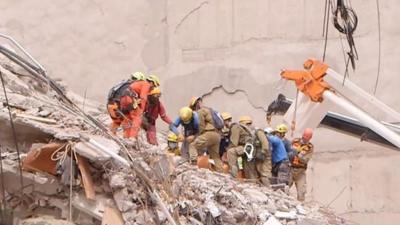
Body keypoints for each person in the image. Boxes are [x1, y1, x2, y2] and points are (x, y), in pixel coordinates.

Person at [226, 116, 271, 185]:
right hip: (253, 152)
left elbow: (233, 143)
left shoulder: (238, 127)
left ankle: (233, 172)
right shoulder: (252, 131)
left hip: (254, 151)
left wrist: (262, 153)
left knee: (231, 152)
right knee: (249, 170)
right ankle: (253, 185)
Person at [119, 74, 160, 138]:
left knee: (128, 117)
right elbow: (143, 97)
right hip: (129, 98)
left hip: (124, 98)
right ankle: (132, 138)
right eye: (154, 85)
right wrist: (142, 109)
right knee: (137, 118)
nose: (153, 88)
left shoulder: (139, 83)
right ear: (151, 82)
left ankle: (126, 136)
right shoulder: (146, 84)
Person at [191, 106, 223, 172]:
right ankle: (221, 172)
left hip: (209, 133)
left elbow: (201, 125)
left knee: (193, 145)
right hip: (217, 135)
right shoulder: (211, 110)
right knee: (215, 156)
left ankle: (193, 166)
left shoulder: (201, 111)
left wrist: (200, 135)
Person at [290, 128, 314, 201]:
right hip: (290, 169)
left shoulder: (310, 147)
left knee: (301, 192)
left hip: (300, 171)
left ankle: (300, 207)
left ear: (310, 138)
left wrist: (298, 154)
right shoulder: (295, 141)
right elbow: (288, 152)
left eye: (307, 137)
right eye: (304, 136)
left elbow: (305, 160)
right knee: (285, 187)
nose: (305, 138)